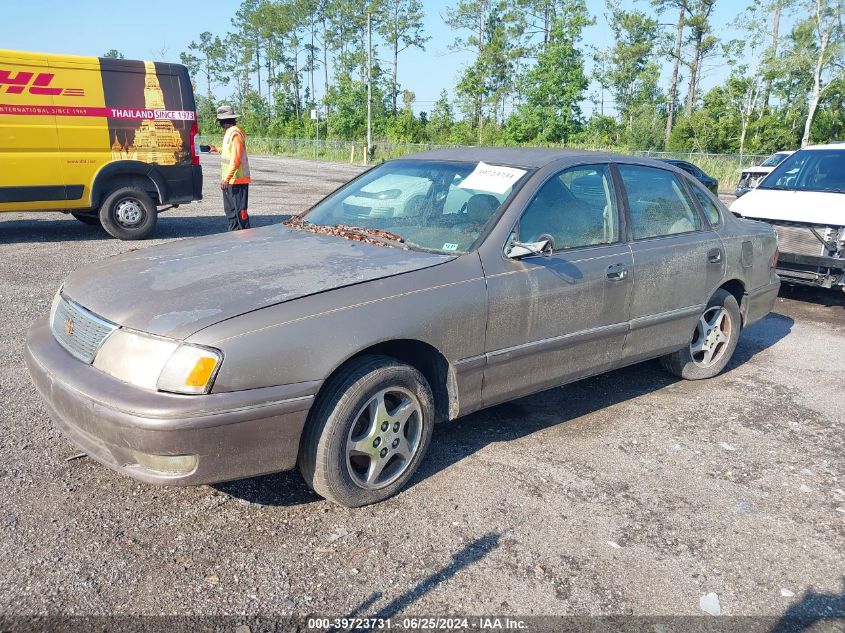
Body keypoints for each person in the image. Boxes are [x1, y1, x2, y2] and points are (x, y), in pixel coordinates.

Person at [210, 106, 251, 231]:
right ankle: (233, 235)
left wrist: (226, 179)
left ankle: (245, 235)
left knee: (240, 212)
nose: (220, 123)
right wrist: (217, 149)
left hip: (237, 181)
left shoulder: (235, 134)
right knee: (231, 212)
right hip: (231, 181)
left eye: (220, 121)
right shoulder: (229, 133)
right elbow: (229, 153)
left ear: (224, 120)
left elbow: (236, 159)